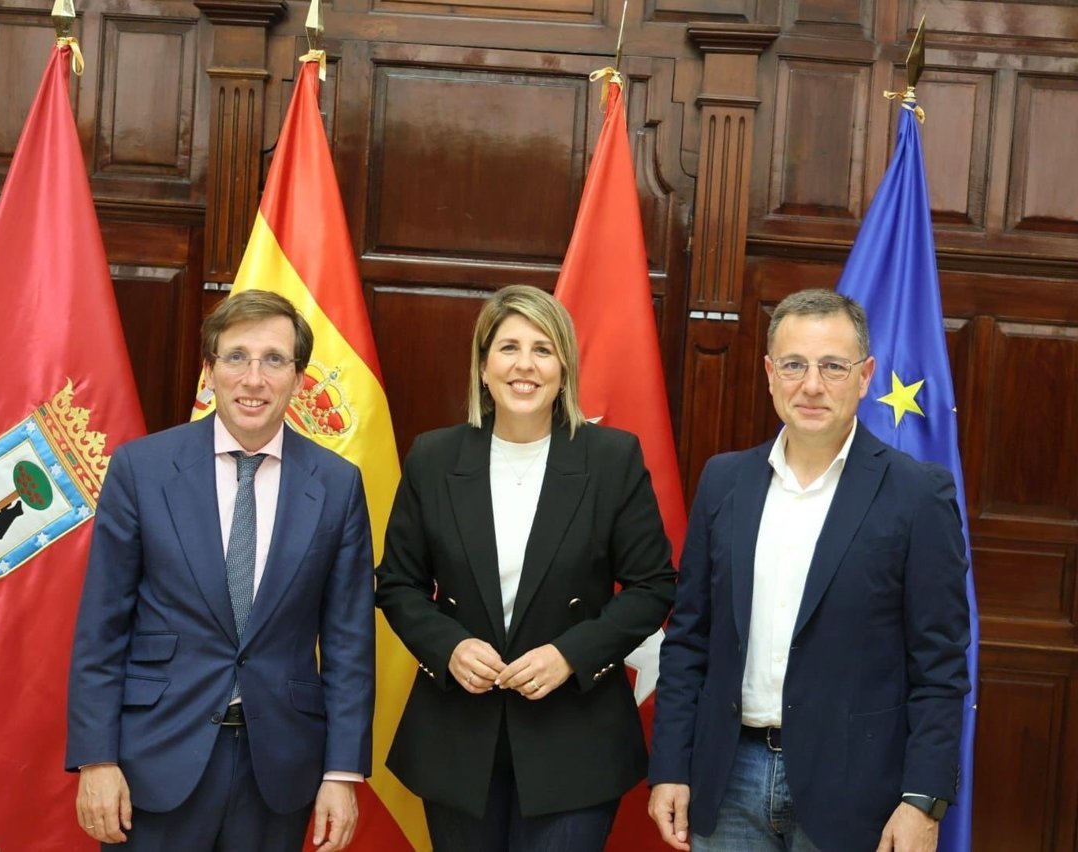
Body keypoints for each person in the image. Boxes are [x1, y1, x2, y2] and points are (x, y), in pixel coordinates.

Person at [647, 289, 970, 852]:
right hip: (728, 783)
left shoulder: (918, 495)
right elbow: (689, 638)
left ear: (865, 376)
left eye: (833, 366)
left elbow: (939, 666)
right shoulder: (723, 482)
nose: (812, 385)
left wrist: (923, 799)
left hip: (860, 792)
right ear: (770, 374)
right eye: (794, 365)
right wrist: (671, 765)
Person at [66, 290, 375, 851]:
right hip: (153, 758)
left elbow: (349, 642)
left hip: (279, 768)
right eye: (236, 357)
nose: (254, 379)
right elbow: (101, 627)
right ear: (209, 371)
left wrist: (342, 771)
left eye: (274, 360)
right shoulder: (142, 469)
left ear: (298, 378)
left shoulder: (336, 485)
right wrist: (96, 758)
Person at [375, 284, 675, 851]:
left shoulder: (611, 458)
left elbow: (653, 585)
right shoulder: (433, 457)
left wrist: (571, 654)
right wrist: (449, 647)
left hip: (575, 737)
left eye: (543, 349)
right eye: (509, 348)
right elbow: (397, 584)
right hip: (459, 736)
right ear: (483, 366)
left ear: (564, 369)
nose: (525, 365)